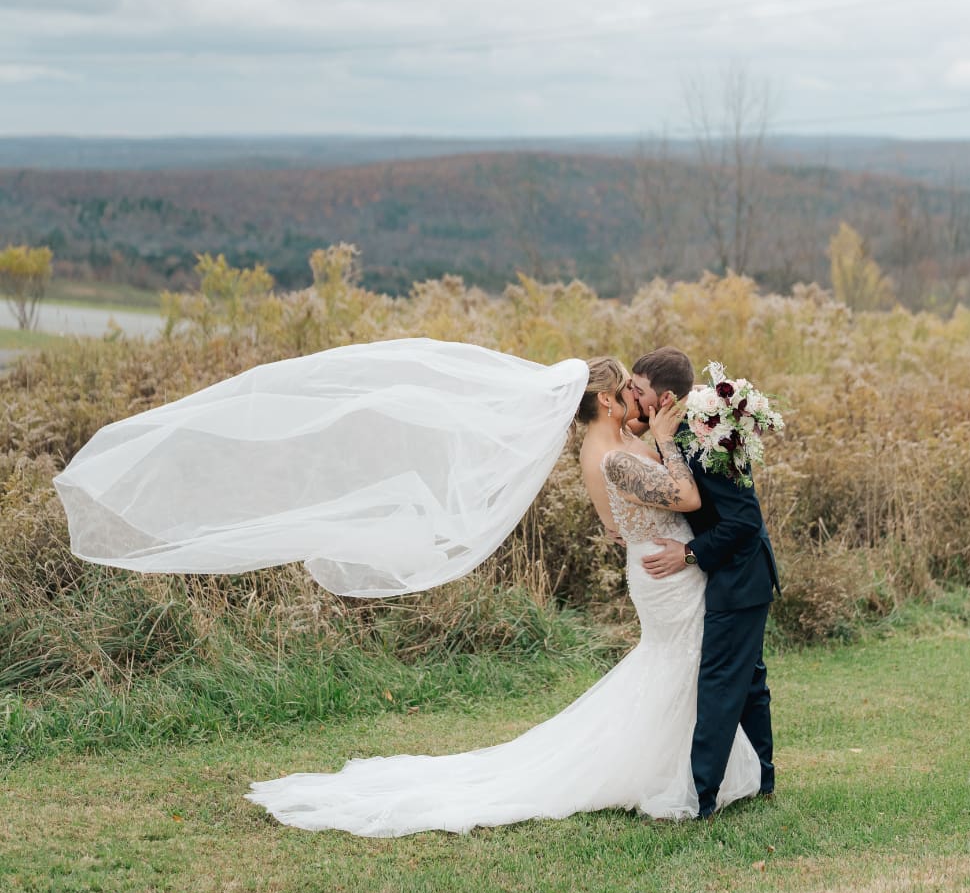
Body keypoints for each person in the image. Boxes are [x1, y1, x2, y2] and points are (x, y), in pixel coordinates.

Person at [245, 356, 761, 836]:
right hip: (664, 571)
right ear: (606, 400)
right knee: (680, 662)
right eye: (626, 387)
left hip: (667, 564)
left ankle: (685, 767)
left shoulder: (619, 443)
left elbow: (645, 497)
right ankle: (674, 775)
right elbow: (686, 495)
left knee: (684, 667)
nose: (634, 395)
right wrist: (668, 444)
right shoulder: (611, 459)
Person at [626, 346, 779, 820]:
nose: (631, 394)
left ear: (664, 397)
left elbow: (744, 522)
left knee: (719, 681)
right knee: (749, 679)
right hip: (735, 573)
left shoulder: (708, 439)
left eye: (638, 389)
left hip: (740, 576)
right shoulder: (680, 431)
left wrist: (688, 554)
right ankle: (762, 778)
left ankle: (702, 797)